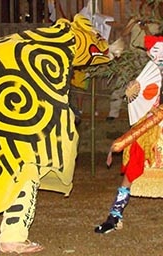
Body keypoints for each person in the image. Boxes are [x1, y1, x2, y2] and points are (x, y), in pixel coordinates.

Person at [95, 34, 163, 234]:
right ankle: (115, 216)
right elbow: (144, 97)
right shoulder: (150, 74)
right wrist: (133, 90)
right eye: (155, 51)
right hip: (151, 127)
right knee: (134, 163)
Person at [106, 1, 160, 121]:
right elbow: (124, 33)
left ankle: (146, 113)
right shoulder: (134, 20)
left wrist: (145, 28)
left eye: (147, 9)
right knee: (121, 82)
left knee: (145, 85)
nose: (145, 12)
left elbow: (154, 40)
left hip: (146, 57)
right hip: (131, 55)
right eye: (143, 9)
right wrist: (134, 22)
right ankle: (113, 113)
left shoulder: (155, 23)